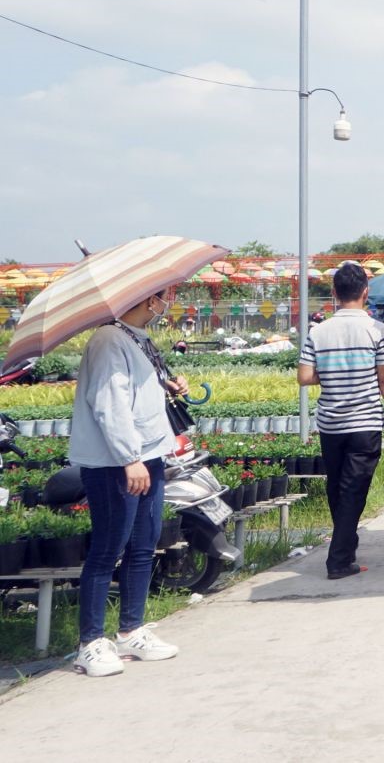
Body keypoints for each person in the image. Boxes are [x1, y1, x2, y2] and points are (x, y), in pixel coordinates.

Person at [69, 283, 185, 677]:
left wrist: (167, 383)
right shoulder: (107, 340)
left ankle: (131, 630)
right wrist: (129, 458)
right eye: (166, 294)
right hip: (115, 463)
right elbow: (109, 404)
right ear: (148, 299)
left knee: (143, 543)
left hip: (147, 454)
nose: (170, 301)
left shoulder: (137, 338)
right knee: (108, 548)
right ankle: (90, 643)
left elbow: (134, 389)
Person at [298, 263, 384, 580]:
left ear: (334, 294)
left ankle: (345, 549)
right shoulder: (378, 330)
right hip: (364, 422)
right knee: (353, 491)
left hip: (331, 424)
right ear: (366, 292)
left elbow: (304, 377)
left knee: (337, 487)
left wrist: (331, 374)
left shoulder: (317, 331)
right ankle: (338, 560)